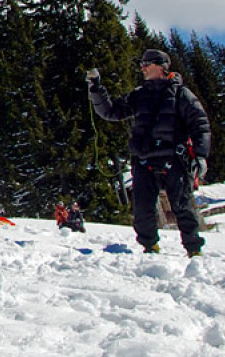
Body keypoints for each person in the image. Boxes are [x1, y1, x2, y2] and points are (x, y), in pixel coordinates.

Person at [88, 49, 211, 256]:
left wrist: (200, 155)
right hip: (144, 159)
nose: (142, 68)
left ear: (161, 67)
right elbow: (111, 112)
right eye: (142, 64)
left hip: (174, 158)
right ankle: (150, 247)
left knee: (182, 206)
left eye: (147, 64)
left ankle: (194, 249)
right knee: (143, 209)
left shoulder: (181, 94)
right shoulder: (139, 95)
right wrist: (96, 89)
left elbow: (200, 125)